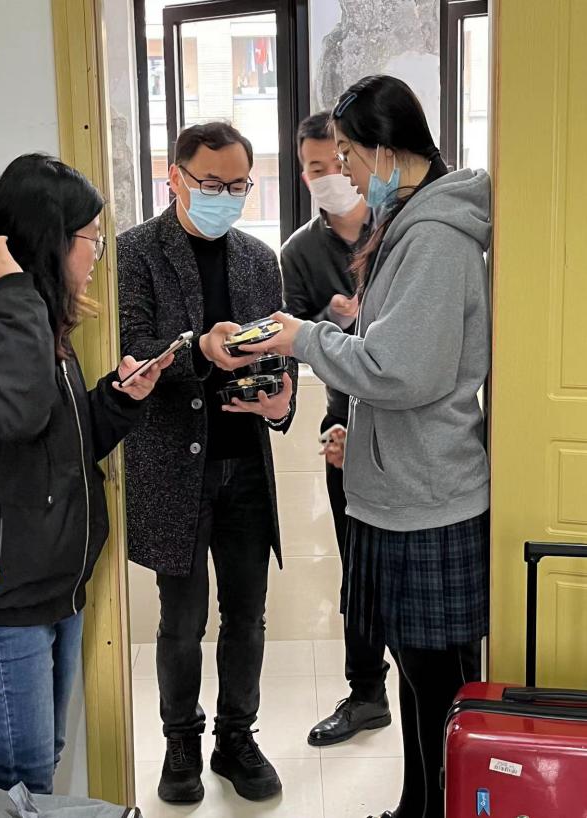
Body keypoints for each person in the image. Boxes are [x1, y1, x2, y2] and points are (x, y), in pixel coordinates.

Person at [206, 75, 491, 818]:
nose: (346, 176)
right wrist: (352, 422)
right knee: (421, 679)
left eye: (349, 159)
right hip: (405, 484)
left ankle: (434, 810)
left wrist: (305, 338)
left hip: (429, 495)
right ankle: (416, 806)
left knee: (438, 686)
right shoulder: (410, 223)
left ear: (385, 150)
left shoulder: (435, 238)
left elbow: (404, 370)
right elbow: (397, 354)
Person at [0, 154, 169, 794]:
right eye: (91, 240)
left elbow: (61, 449)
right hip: (2, 605)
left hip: (55, 588)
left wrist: (117, 399)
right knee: (19, 779)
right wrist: (14, 296)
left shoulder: (35, 320)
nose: (96, 256)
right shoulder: (2, 320)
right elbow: (15, 416)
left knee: (43, 760)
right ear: (49, 241)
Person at [117, 122, 297, 805]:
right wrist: (198, 348)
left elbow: (276, 350)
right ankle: (180, 743)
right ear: (175, 177)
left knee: (247, 616)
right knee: (181, 621)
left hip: (243, 463)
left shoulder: (258, 259)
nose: (226, 196)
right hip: (172, 468)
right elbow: (134, 347)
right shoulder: (136, 251)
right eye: (212, 184)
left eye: (239, 185)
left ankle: (236, 738)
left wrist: (279, 400)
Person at [281, 112, 392, 747]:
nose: (329, 176)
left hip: (410, 424)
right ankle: (367, 692)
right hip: (345, 423)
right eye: (315, 168)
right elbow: (292, 341)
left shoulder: (400, 225)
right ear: (303, 175)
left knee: (411, 568)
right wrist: (330, 318)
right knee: (359, 564)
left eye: (337, 162)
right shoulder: (299, 252)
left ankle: (438, 692)